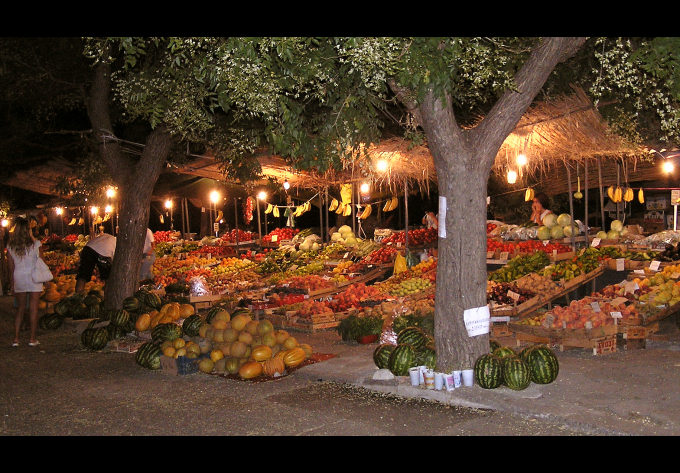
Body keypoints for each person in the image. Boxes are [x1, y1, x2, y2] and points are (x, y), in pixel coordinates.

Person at [7, 217, 45, 347]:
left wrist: (12, 284)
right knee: (34, 309)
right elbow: (41, 262)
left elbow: (11, 268)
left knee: (20, 308)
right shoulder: (36, 244)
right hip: (34, 277)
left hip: (19, 277)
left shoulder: (11, 246)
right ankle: (32, 338)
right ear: (29, 230)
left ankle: (16, 339)